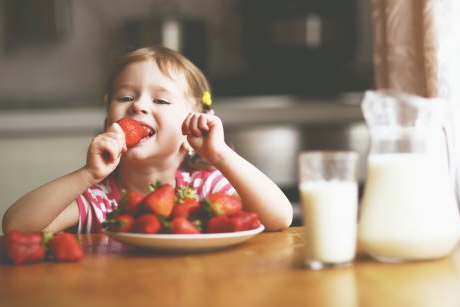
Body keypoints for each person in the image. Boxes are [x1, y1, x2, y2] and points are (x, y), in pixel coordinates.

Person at [2, 46, 293, 234]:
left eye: (161, 101)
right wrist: (88, 174)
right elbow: (16, 227)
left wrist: (220, 156)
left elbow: (280, 218)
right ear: (107, 122)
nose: (138, 106)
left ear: (191, 130)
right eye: (125, 97)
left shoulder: (205, 187)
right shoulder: (99, 199)